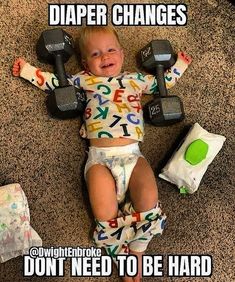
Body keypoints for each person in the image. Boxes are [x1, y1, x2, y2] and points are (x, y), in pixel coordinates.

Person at [13, 26, 192, 281]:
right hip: (99, 159)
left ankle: (139, 248)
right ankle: (120, 253)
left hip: (133, 155)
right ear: (85, 63)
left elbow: (164, 82)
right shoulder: (84, 80)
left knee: (149, 197)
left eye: (110, 50)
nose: (104, 57)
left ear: (121, 53)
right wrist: (28, 71)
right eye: (95, 54)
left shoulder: (136, 79)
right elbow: (56, 83)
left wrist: (180, 66)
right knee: (103, 211)